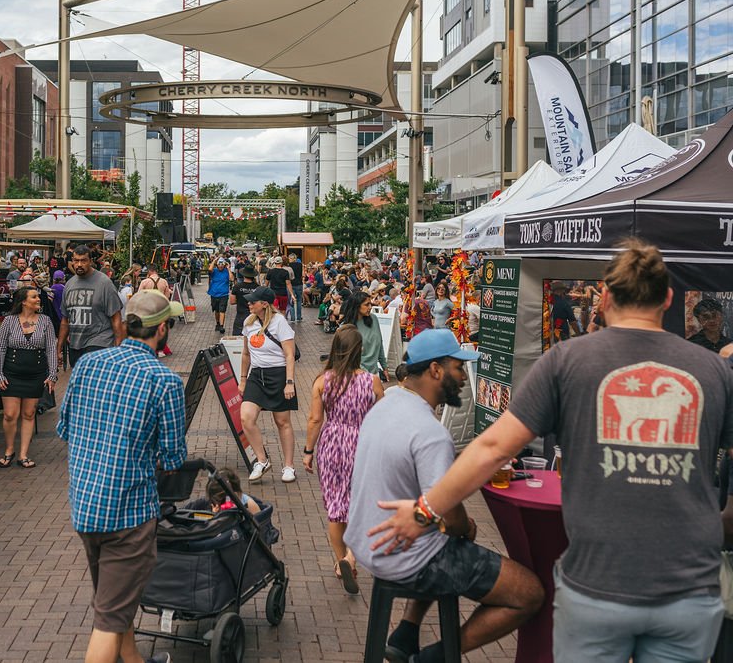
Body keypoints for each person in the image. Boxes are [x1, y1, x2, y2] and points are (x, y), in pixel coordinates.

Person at [367, 240, 733, 662]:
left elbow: (491, 447)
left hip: (597, 585)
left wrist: (424, 512)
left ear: (606, 298)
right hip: (689, 590)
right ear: (668, 299)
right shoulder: (713, 370)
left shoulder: (566, 360)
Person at [344, 329, 543, 662]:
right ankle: (436, 656)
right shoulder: (431, 434)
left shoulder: (387, 401)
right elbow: (449, 515)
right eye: (458, 368)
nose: (464, 378)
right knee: (529, 593)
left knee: (441, 539)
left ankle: (406, 633)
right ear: (435, 370)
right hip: (402, 557)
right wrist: (466, 528)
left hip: (367, 543)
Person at [57, 289, 185, 663]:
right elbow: (173, 457)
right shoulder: (164, 382)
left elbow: (64, 429)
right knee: (110, 618)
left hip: (85, 506)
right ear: (161, 330)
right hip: (128, 514)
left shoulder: (87, 365)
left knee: (114, 600)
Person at [304, 326, 384, 594]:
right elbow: (382, 416)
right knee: (360, 504)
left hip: (332, 446)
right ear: (359, 350)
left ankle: (341, 562)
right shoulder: (372, 381)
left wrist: (308, 451)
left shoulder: (322, 381)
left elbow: (315, 420)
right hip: (363, 445)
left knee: (336, 508)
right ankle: (352, 555)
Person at [0, 286, 57, 469]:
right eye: (34, 297)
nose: (38, 299)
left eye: (38, 297)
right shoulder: (9, 321)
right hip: (11, 372)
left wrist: (52, 374)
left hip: (35, 373)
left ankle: (23, 454)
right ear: (23, 301)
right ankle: (9, 450)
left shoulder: (45, 321)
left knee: (29, 414)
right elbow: (0, 348)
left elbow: (51, 348)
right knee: (9, 414)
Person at [239, 287, 299, 483]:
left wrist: (289, 382)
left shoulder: (279, 322)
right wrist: (242, 379)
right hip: (257, 375)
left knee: (282, 422)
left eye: (252, 301)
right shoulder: (249, 323)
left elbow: (290, 355)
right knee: (246, 417)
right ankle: (262, 460)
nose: (249, 303)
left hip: (279, 374)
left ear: (264, 304)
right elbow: (246, 354)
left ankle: (289, 466)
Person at [57, 245, 124, 368]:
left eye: (83, 260)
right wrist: (59, 347)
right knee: (80, 383)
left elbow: (116, 317)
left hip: (99, 341)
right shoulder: (69, 285)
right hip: (76, 343)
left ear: (91, 261)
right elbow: (65, 320)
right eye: (76, 261)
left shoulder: (104, 283)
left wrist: (119, 347)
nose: (79, 264)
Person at [341, 290, 388, 380]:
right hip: (356, 375)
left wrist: (384, 367)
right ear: (356, 306)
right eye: (366, 305)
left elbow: (380, 344)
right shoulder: (347, 327)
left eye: (370, 304)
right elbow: (347, 356)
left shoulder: (374, 319)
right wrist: (365, 373)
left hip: (374, 373)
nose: (370, 307)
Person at [229, 266, 258, 336]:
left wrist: (240, 300)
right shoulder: (258, 287)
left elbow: (232, 301)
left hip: (241, 315)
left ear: (243, 275)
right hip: (255, 316)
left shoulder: (237, 286)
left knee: (238, 338)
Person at [207, 256, 232, 333]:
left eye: (222, 264)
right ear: (217, 265)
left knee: (222, 310)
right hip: (214, 294)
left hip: (224, 294)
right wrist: (214, 260)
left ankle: (221, 326)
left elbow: (232, 279)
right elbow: (210, 269)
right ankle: (218, 323)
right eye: (219, 264)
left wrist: (229, 269)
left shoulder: (226, 271)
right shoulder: (214, 271)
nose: (220, 266)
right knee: (217, 311)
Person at [288, 253, 305, 323]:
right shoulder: (300, 264)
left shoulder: (289, 266)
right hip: (299, 284)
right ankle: (299, 317)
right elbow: (301, 274)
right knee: (299, 301)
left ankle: (292, 317)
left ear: (291, 258)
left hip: (291, 285)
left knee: (291, 301)